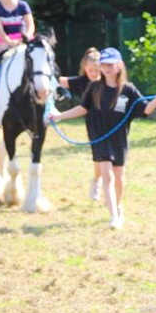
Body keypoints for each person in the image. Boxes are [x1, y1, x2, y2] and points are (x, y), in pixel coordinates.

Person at [50, 48, 156, 229]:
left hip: (119, 139)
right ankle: (114, 216)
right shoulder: (94, 87)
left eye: (110, 64)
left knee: (119, 177)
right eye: (104, 65)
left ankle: (118, 204)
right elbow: (82, 109)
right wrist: (60, 116)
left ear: (120, 66)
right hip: (100, 138)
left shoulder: (129, 89)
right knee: (107, 176)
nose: (106, 68)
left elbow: (146, 109)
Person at [58, 47, 103, 200]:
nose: (95, 73)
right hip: (93, 124)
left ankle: (101, 181)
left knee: (106, 158)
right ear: (85, 69)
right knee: (98, 156)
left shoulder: (108, 81)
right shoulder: (81, 82)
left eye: (98, 70)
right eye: (91, 70)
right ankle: (97, 180)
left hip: (110, 123)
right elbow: (59, 81)